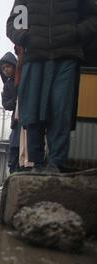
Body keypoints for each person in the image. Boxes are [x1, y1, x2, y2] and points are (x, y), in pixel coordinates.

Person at [7, 0, 97, 172]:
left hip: (66, 56)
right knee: (32, 111)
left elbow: (93, 17)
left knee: (61, 109)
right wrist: (24, 37)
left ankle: (57, 162)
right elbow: (13, 24)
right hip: (35, 56)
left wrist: (76, 33)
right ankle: (36, 163)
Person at [0, 52, 20, 173]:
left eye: (8, 66)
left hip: (28, 118)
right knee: (14, 146)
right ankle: (13, 171)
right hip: (16, 121)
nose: (6, 70)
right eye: (3, 68)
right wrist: (16, 100)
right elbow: (6, 104)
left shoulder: (24, 78)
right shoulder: (7, 85)